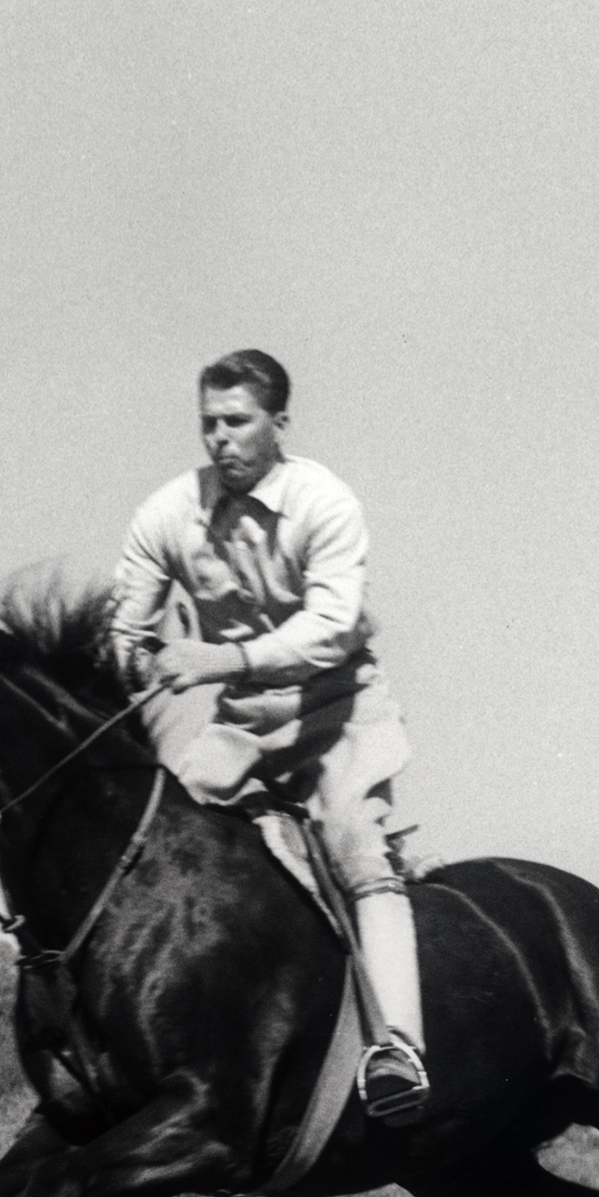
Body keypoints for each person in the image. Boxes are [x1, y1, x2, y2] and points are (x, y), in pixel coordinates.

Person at [111, 348, 429, 1123]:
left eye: (236, 422)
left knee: (357, 844)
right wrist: (132, 659)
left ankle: (397, 1049)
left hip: (336, 713)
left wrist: (218, 657)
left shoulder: (325, 502)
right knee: (154, 839)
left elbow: (328, 627)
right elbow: (125, 617)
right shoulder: (167, 513)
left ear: (278, 424)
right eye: (207, 424)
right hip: (243, 722)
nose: (219, 439)